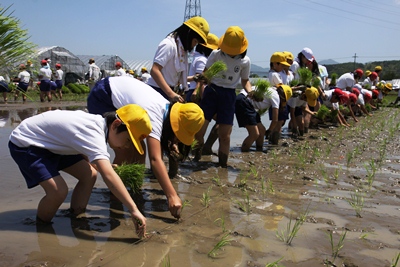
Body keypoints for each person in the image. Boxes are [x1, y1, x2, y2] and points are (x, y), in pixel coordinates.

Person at [8, 104, 150, 237]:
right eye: (127, 140)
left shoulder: (97, 125)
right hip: (27, 143)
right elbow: (109, 176)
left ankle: (76, 215)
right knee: (58, 191)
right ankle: (43, 226)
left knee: (89, 174)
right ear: (116, 124)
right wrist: (133, 209)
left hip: (53, 144)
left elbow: (78, 144)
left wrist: (99, 166)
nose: (126, 146)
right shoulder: (94, 133)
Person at [87, 76, 205, 219]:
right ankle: (115, 197)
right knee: (125, 149)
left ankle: (135, 190)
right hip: (104, 96)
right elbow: (155, 160)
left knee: (139, 149)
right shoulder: (154, 116)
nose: (176, 139)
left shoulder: (167, 108)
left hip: (116, 90)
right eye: (177, 135)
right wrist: (172, 195)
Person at [195, 26, 251, 167]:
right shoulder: (215, 54)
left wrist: (250, 92)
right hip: (211, 92)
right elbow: (205, 74)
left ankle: (223, 167)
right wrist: (199, 87)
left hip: (229, 95)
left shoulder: (245, 61)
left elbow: (245, 81)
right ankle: (196, 158)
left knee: (225, 136)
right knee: (199, 131)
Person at [147, 16, 210, 103]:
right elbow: (155, 70)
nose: (194, 46)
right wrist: (171, 94)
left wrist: (193, 78)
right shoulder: (169, 45)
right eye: (195, 41)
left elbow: (173, 77)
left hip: (168, 92)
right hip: (157, 91)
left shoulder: (182, 51)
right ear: (189, 34)